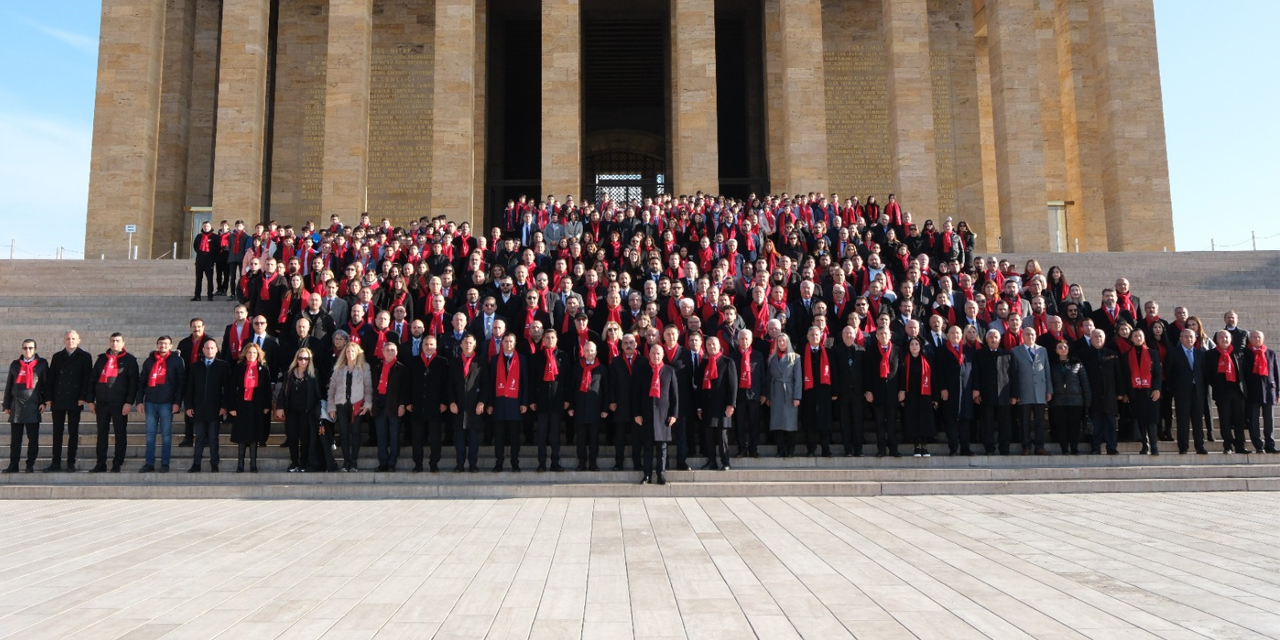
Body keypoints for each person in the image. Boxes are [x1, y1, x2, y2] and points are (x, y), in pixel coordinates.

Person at [87, 333, 140, 473]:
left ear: (123, 343)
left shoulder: (129, 360)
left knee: (120, 433)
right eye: (112, 341)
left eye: (117, 341)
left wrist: (129, 402)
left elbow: (133, 383)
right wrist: (90, 400)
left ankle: (117, 462)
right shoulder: (101, 359)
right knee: (102, 433)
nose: (114, 343)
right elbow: (93, 380)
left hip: (119, 403)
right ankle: (101, 463)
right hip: (102, 402)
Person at [135, 336, 185, 473]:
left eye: (166, 344)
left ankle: (165, 463)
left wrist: (177, 402)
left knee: (166, 435)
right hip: (150, 402)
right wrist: (139, 400)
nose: (163, 346)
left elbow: (181, 383)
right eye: (160, 343)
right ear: (157, 345)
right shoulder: (149, 361)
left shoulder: (176, 360)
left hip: (167, 403)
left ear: (170, 346)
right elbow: (142, 382)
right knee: (150, 434)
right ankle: (149, 463)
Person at [46, 330, 93, 472]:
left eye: (73, 339)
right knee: (57, 432)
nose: (70, 341)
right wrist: (48, 397)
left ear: (78, 340)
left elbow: (87, 379)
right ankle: (55, 462)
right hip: (58, 398)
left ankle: (70, 462)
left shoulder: (85, 356)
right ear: (64, 340)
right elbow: (51, 378)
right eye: (68, 339)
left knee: (73, 431)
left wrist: (83, 397)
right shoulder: (57, 356)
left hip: (75, 399)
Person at [634, 343, 679, 485]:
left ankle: (661, 475)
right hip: (646, 415)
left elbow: (674, 395)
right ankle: (647, 475)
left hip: (664, 416)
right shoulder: (642, 371)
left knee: (662, 448)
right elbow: (636, 395)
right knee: (647, 447)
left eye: (658, 354)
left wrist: (674, 414)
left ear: (663, 355)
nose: (655, 356)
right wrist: (637, 413)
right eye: (653, 353)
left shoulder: (669, 371)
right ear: (649, 355)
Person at [4, 340, 49, 473]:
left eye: (30, 348)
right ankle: (14, 465)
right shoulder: (15, 364)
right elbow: (9, 386)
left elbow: (46, 384)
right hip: (16, 406)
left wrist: (44, 402)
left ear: (35, 349)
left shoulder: (42, 364)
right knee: (15, 439)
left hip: (33, 405)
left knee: (33, 439)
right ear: (22, 349)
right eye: (25, 348)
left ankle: (30, 464)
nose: (27, 350)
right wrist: (6, 404)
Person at [185, 339, 230, 472]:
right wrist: (188, 406)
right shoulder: (195, 366)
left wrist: (224, 406)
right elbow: (190, 388)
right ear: (203, 350)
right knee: (199, 437)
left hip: (215, 409)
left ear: (216, 349)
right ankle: (196, 463)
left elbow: (227, 388)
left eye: (212, 348)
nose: (209, 350)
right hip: (198, 408)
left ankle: (214, 463)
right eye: (207, 348)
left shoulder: (223, 366)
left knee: (213, 438)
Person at [274, 348, 322, 472]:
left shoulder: (313, 374)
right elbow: (282, 392)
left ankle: (303, 463)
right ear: (296, 359)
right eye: (300, 358)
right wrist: (280, 407)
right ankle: (294, 462)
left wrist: (316, 410)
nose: (303, 361)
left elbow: (317, 394)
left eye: (306, 358)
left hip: (306, 412)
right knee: (292, 437)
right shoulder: (289, 373)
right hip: (291, 411)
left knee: (305, 438)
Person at [327, 341, 373, 471]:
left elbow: (368, 389)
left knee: (356, 432)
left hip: (357, 404)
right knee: (344, 433)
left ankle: (354, 461)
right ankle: (346, 461)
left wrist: (367, 404)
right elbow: (332, 389)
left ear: (357, 353)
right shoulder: (339, 368)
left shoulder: (364, 368)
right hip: (341, 404)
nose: (350, 353)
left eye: (353, 351)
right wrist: (331, 407)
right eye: (348, 351)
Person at [407, 334, 449, 472]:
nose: (428, 347)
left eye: (431, 344)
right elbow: (408, 383)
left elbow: (445, 384)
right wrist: (408, 401)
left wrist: (444, 402)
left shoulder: (442, 362)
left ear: (435, 346)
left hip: (435, 406)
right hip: (417, 405)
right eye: (426, 344)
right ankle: (418, 464)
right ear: (422, 346)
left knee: (435, 437)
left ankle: (434, 463)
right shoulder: (414, 361)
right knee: (417, 437)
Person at [486, 333, 528, 472]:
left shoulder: (522, 359)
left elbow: (525, 383)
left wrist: (524, 402)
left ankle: (515, 463)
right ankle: (499, 463)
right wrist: (490, 403)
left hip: (515, 403)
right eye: (506, 342)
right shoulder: (494, 360)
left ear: (514, 343)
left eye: (511, 342)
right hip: (499, 403)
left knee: (515, 437)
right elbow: (490, 382)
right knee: (499, 437)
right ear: (502, 343)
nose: (508, 344)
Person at [229, 342, 271, 472]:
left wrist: (267, 405)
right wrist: (231, 406)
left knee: (254, 435)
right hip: (242, 404)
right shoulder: (239, 367)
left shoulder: (263, 368)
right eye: (249, 352)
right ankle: (240, 464)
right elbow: (231, 388)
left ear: (258, 354)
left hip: (257, 405)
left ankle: (253, 464)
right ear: (245, 354)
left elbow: (267, 389)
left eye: (254, 352)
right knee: (242, 435)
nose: (251, 355)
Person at [530, 330, 568, 472]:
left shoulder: (563, 356)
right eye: (547, 337)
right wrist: (532, 400)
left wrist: (567, 399)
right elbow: (532, 381)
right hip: (541, 401)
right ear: (543, 340)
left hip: (557, 400)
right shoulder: (536, 357)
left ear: (556, 339)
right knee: (541, 434)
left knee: (555, 434)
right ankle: (541, 463)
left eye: (553, 337)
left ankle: (555, 462)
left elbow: (567, 381)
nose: (550, 340)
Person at [933, 325, 975, 456]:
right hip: (949, 391)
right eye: (952, 333)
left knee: (965, 421)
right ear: (948, 335)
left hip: (966, 391)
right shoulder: (941, 351)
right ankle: (953, 448)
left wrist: (976, 389)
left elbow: (975, 371)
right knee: (950, 420)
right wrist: (942, 388)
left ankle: (965, 448)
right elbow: (938, 372)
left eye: (957, 333)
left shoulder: (968, 350)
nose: (955, 335)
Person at [1010, 327, 1052, 455]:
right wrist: (1015, 393)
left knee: (1040, 422)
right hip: (1024, 391)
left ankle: (1039, 446)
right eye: (1027, 334)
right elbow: (1014, 374)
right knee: (1024, 421)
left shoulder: (1042, 350)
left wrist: (1049, 390)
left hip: (1040, 391)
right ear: (1023, 336)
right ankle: (1026, 446)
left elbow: (1047, 371)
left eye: (1032, 334)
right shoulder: (1015, 351)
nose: (1030, 336)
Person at [697, 336, 737, 471]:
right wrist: (699, 407)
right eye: (708, 344)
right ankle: (711, 461)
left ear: (719, 345)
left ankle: (725, 462)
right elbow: (700, 387)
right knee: (708, 436)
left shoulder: (727, 362)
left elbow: (733, 385)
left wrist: (731, 404)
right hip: (708, 406)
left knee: (722, 437)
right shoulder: (703, 364)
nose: (711, 346)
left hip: (722, 406)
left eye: (714, 344)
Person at [1165, 328, 1208, 454]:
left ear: (1195, 339)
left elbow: (1204, 373)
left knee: (1198, 420)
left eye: (1191, 337)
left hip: (1197, 392)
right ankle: (1183, 446)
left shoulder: (1200, 354)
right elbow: (1169, 372)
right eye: (1185, 336)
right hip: (1181, 392)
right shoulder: (1173, 353)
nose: (1189, 339)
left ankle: (1200, 445)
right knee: (1183, 420)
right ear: (1180, 338)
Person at [972, 329, 1014, 455]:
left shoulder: (1007, 354)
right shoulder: (979, 354)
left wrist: (1014, 394)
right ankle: (989, 448)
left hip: (1004, 395)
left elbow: (1012, 375)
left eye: (996, 337)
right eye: (991, 337)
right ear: (986, 339)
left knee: (1005, 424)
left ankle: (1004, 448)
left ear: (999, 339)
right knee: (987, 423)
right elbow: (975, 374)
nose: (993, 339)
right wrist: (976, 391)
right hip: (986, 394)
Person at [1121, 329, 1163, 455]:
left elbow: (1157, 373)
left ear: (1143, 337)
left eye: (1140, 335)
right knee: (1140, 420)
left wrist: (1157, 389)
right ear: (1131, 339)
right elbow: (1125, 376)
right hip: (1135, 392)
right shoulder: (1126, 355)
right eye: (1135, 336)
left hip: (1150, 391)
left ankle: (1154, 446)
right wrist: (1125, 393)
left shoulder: (1153, 353)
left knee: (1152, 419)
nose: (1138, 337)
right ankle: (1145, 445)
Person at [448, 334, 485, 472]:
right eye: (465, 343)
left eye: (471, 343)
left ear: (474, 345)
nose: (468, 345)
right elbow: (449, 385)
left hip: (474, 405)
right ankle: (460, 464)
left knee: (474, 438)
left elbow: (485, 384)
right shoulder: (454, 363)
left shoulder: (480, 363)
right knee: (459, 439)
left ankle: (473, 464)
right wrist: (451, 402)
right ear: (461, 345)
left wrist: (482, 402)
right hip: (458, 405)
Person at [1207, 330, 1249, 454]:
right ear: (1216, 340)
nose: (1224, 339)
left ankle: (1240, 445)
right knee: (1224, 420)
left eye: (1226, 337)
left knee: (1239, 420)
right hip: (1222, 392)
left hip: (1238, 391)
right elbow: (1208, 373)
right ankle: (1228, 445)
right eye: (1221, 337)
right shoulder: (1210, 354)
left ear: (1230, 339)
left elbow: (1244, 372)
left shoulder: (1238, 353)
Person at [570, 341, 609, 471]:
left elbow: (605, 391)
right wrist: (571, 406)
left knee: (593, 439)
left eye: (592, 351)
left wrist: (605, 409)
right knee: (581, 439)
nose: (589, 353)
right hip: (580, 408)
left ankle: (593, 463)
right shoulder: (577, 368)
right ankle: (581, 463)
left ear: (596, 352)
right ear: (583, 352)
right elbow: (572, 388)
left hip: (595, 409)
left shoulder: (602, 369)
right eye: (587, 351)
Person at [864, 327, 903, 457]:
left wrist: (902, 390)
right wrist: (868, 391)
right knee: (879, 423)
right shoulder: (871, 351)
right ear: (876, 336)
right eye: (880, 334)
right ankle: (881, 449)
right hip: (877, 392)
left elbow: (901, 372)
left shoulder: (897, 350)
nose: (883, 336)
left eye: (885, 333)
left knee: (892, 423)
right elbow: (867, 373)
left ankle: (893, 448)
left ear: (890, 335)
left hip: (893, 392)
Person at [607, 334, 643, 471]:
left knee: (636, 435)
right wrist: (612, 400)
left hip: (637, 404)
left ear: (635, 344)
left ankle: (637, 462)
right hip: (620, 403)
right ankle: (619, 463)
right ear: (621, 346)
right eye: (626, 343)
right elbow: (612, 383)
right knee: (620, 436)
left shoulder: (642, 360)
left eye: (631, 342)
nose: (628, 345)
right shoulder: (616, 361)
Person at [371, 342, 408, 472]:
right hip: (380, 404)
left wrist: (402, 404)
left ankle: (392, 463)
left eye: (393, 350)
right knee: (381, 436)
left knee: (394, 436)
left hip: (395, 404)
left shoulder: (401, 368)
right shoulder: (377, 368)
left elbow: (405, 388)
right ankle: (383, 463)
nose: (390, 352)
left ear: (396, 352)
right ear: (383, 352)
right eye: (387, 350)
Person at [730, 329, 768, 458]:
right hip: (739, 395)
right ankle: (741, 449)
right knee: (739, 423)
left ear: (751, 340)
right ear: (738, 340)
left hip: (754, 393)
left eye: (747, 339)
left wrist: (763, 393)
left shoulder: (758, 355)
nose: (744, 341)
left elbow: (762, 375)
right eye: (742, 338)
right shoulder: (733, 356)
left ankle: (753, 448)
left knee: (754, 423)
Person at [799, 326, 835, 457]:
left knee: (825, 421)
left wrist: (834, 391)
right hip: (808, 391)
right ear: (808, 337)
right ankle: (811, 449)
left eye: (816, 335)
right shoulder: (802, 354)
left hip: (824, 391)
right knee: (810, 421)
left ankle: (825, 448)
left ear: (820, 336)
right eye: (812, 335)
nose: (814, 337)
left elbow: (834, 372)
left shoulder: (828, 352)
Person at [1048, 340, 1090, 455]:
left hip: (1075, 401)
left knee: (1075, 427)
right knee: (1061, 427)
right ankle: (1064, 449)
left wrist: (1087, 400)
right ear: (1056, 350)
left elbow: (1084, 382)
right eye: (1059, 347)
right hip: (1058, 402)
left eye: (1064, 347)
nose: (1062, 349)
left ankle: (1074, 448)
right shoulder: (1052, 366)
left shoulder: (1077, 364)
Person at [765, 333, 802, 457]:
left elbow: (798, 379)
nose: (781, 343)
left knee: (790, 423)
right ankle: (780, 450)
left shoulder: (795, 358)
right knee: (777, 423)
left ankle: (790, 450)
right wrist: (769, 396)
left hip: (790, 392)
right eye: (779, 341)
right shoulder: (772, 359)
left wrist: (797, 396)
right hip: (776, 392)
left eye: (783, 341)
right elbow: (769, 378)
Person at [1242, 330, 1278, 453]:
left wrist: (1278, 391)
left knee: (1269, 420)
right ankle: (1258, 444)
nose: (1256, 339)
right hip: (1252, 391)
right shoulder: (1244, 353)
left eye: (1259, 337)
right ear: (1249, 339)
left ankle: (1270, 444)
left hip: (1268, 391)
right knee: (1253, 420)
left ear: (1263, 339)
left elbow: (1276, 373)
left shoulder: (1270, 353)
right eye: (1254, 337)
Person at [900, 337, 935, 457]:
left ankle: (924, 447)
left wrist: (934, 398)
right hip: (911, 395)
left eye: (916, 344)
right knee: (913, 420)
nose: (914, 346)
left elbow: (933, 379)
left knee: (925, 420)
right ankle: (916, 446)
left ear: (920, 347)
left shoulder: (927, 360)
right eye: (912, 344)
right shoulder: (904, 361)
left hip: (925, 395)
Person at [192, 220, 217, 301]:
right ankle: (197, 296)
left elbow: (218, 248)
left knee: (210, 279)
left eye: (207, 226)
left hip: (209, 261)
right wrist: (201, 253)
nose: (206, 228)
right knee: (198, 279)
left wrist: (211, 255)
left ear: (210, 227)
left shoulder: (214, 237)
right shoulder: (199, 236)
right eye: (204, 226)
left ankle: (210, 296)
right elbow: (195, 246)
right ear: (202, 227)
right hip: (200, 260)